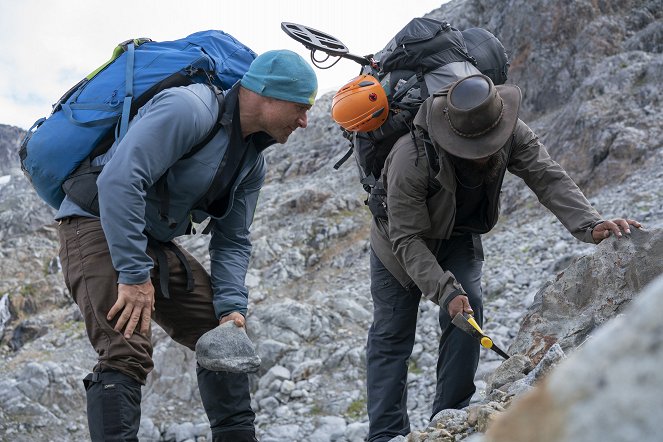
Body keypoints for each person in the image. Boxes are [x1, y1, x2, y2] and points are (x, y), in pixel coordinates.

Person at [55, 49, 317, 442]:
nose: (305, 121)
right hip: (94, 222)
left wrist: (232, 310)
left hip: (152, 239)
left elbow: (233, 240)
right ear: (267, 95)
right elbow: (119, 182)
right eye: (299, 107)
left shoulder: (251, 163)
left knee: (222, 339)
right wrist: (132, 274)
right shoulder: (188, 108)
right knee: (125, 350)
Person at [365, 73, 641, 441]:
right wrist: (444, 290)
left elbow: (547, 176)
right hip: (398, 244)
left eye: (490, 144)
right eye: (474, 149)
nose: (486, 153)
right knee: (392, 336)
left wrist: (590, 225)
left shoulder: (510, 129)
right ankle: (384, 434)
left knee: (469, 311)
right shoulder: (410, 157)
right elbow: (406, 239)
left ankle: (448, 418)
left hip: (458, 233)